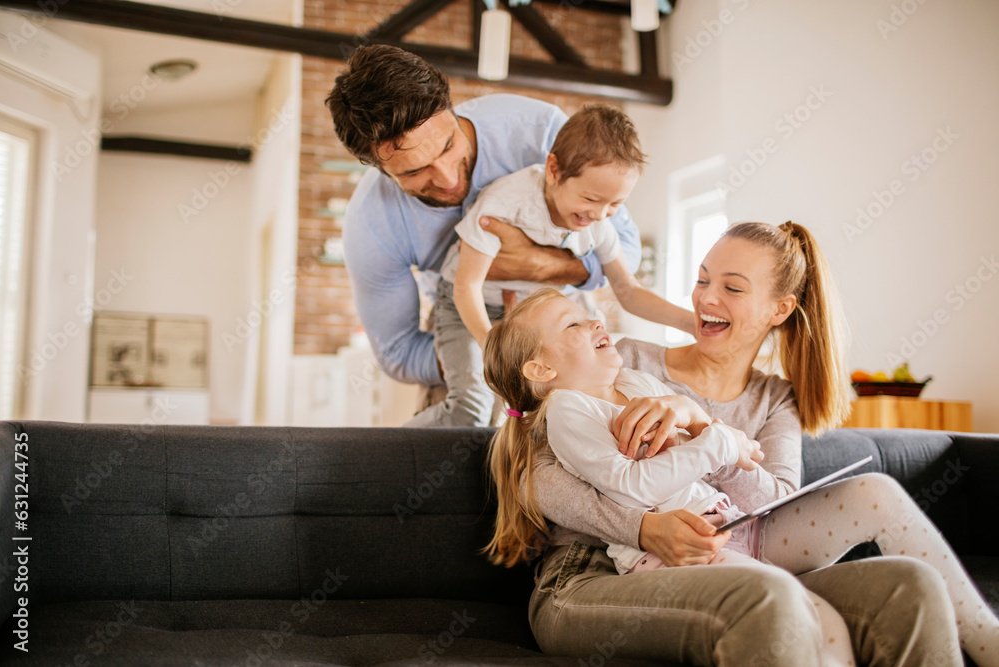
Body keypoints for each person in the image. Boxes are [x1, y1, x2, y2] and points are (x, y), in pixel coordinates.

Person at [481, 222, 984, 666]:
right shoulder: (627, 360)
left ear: (779, 310)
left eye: (732, 287)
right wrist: (643, 528)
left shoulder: (775, 398)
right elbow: (535, 469)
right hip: (595, 565)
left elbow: (771, 503)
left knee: (910, 586)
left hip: (726, 546)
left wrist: (700, 423)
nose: (705, 298)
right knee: (767, 594)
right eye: (702, 280)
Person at [325, 45, 642, 416]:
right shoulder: (373, 225)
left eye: (448, 145)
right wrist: (487, 355)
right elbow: (398, 354)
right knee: (462, 435)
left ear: (451, 106)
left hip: (566, 326)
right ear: (377, 167)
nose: (446, 178)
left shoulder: (539, 134)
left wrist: (539, 267)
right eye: (413, 172)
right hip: (458, 331)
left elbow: (626, 252)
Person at [420, 104, 695, 427]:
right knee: (472, 407)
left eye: (616, 205)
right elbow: (466, 288)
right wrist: (494, 348)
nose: (600, 214)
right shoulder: (507, 203)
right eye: (591, 199)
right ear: (553, 170)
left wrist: (691, 324)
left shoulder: (599, 224)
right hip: (468, 303)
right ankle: (388, 448)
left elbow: (628, 291)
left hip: (530, 313)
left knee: (549, 403)